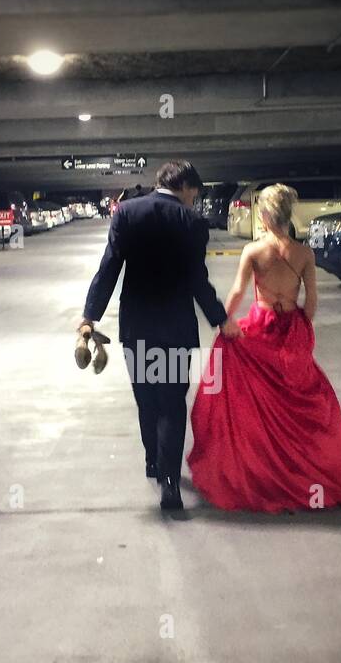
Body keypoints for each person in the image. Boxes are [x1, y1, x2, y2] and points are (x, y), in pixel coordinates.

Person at [79, 160, 242, 510]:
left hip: (137, 325)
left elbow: (109, 268)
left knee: (146, 399)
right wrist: (220, 319)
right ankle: (170, 481)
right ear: (184, 186)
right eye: (194, 193)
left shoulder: (127, 213)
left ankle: (153, 460)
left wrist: (89, 316)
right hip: (175, 329)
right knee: (171, 402)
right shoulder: (192, 223)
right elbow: (197, 279)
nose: (194, 200)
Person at [187, 183, 341, 513]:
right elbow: (311, 298)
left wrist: (226, 324)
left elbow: (238, 291)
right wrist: (302, 330)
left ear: (265, 216)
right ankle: (304, 468)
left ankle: (263, 468)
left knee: (255, 404)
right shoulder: (304, 252)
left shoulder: (254, 251)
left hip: (261, 325)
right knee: (304, 399)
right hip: (292, 327)